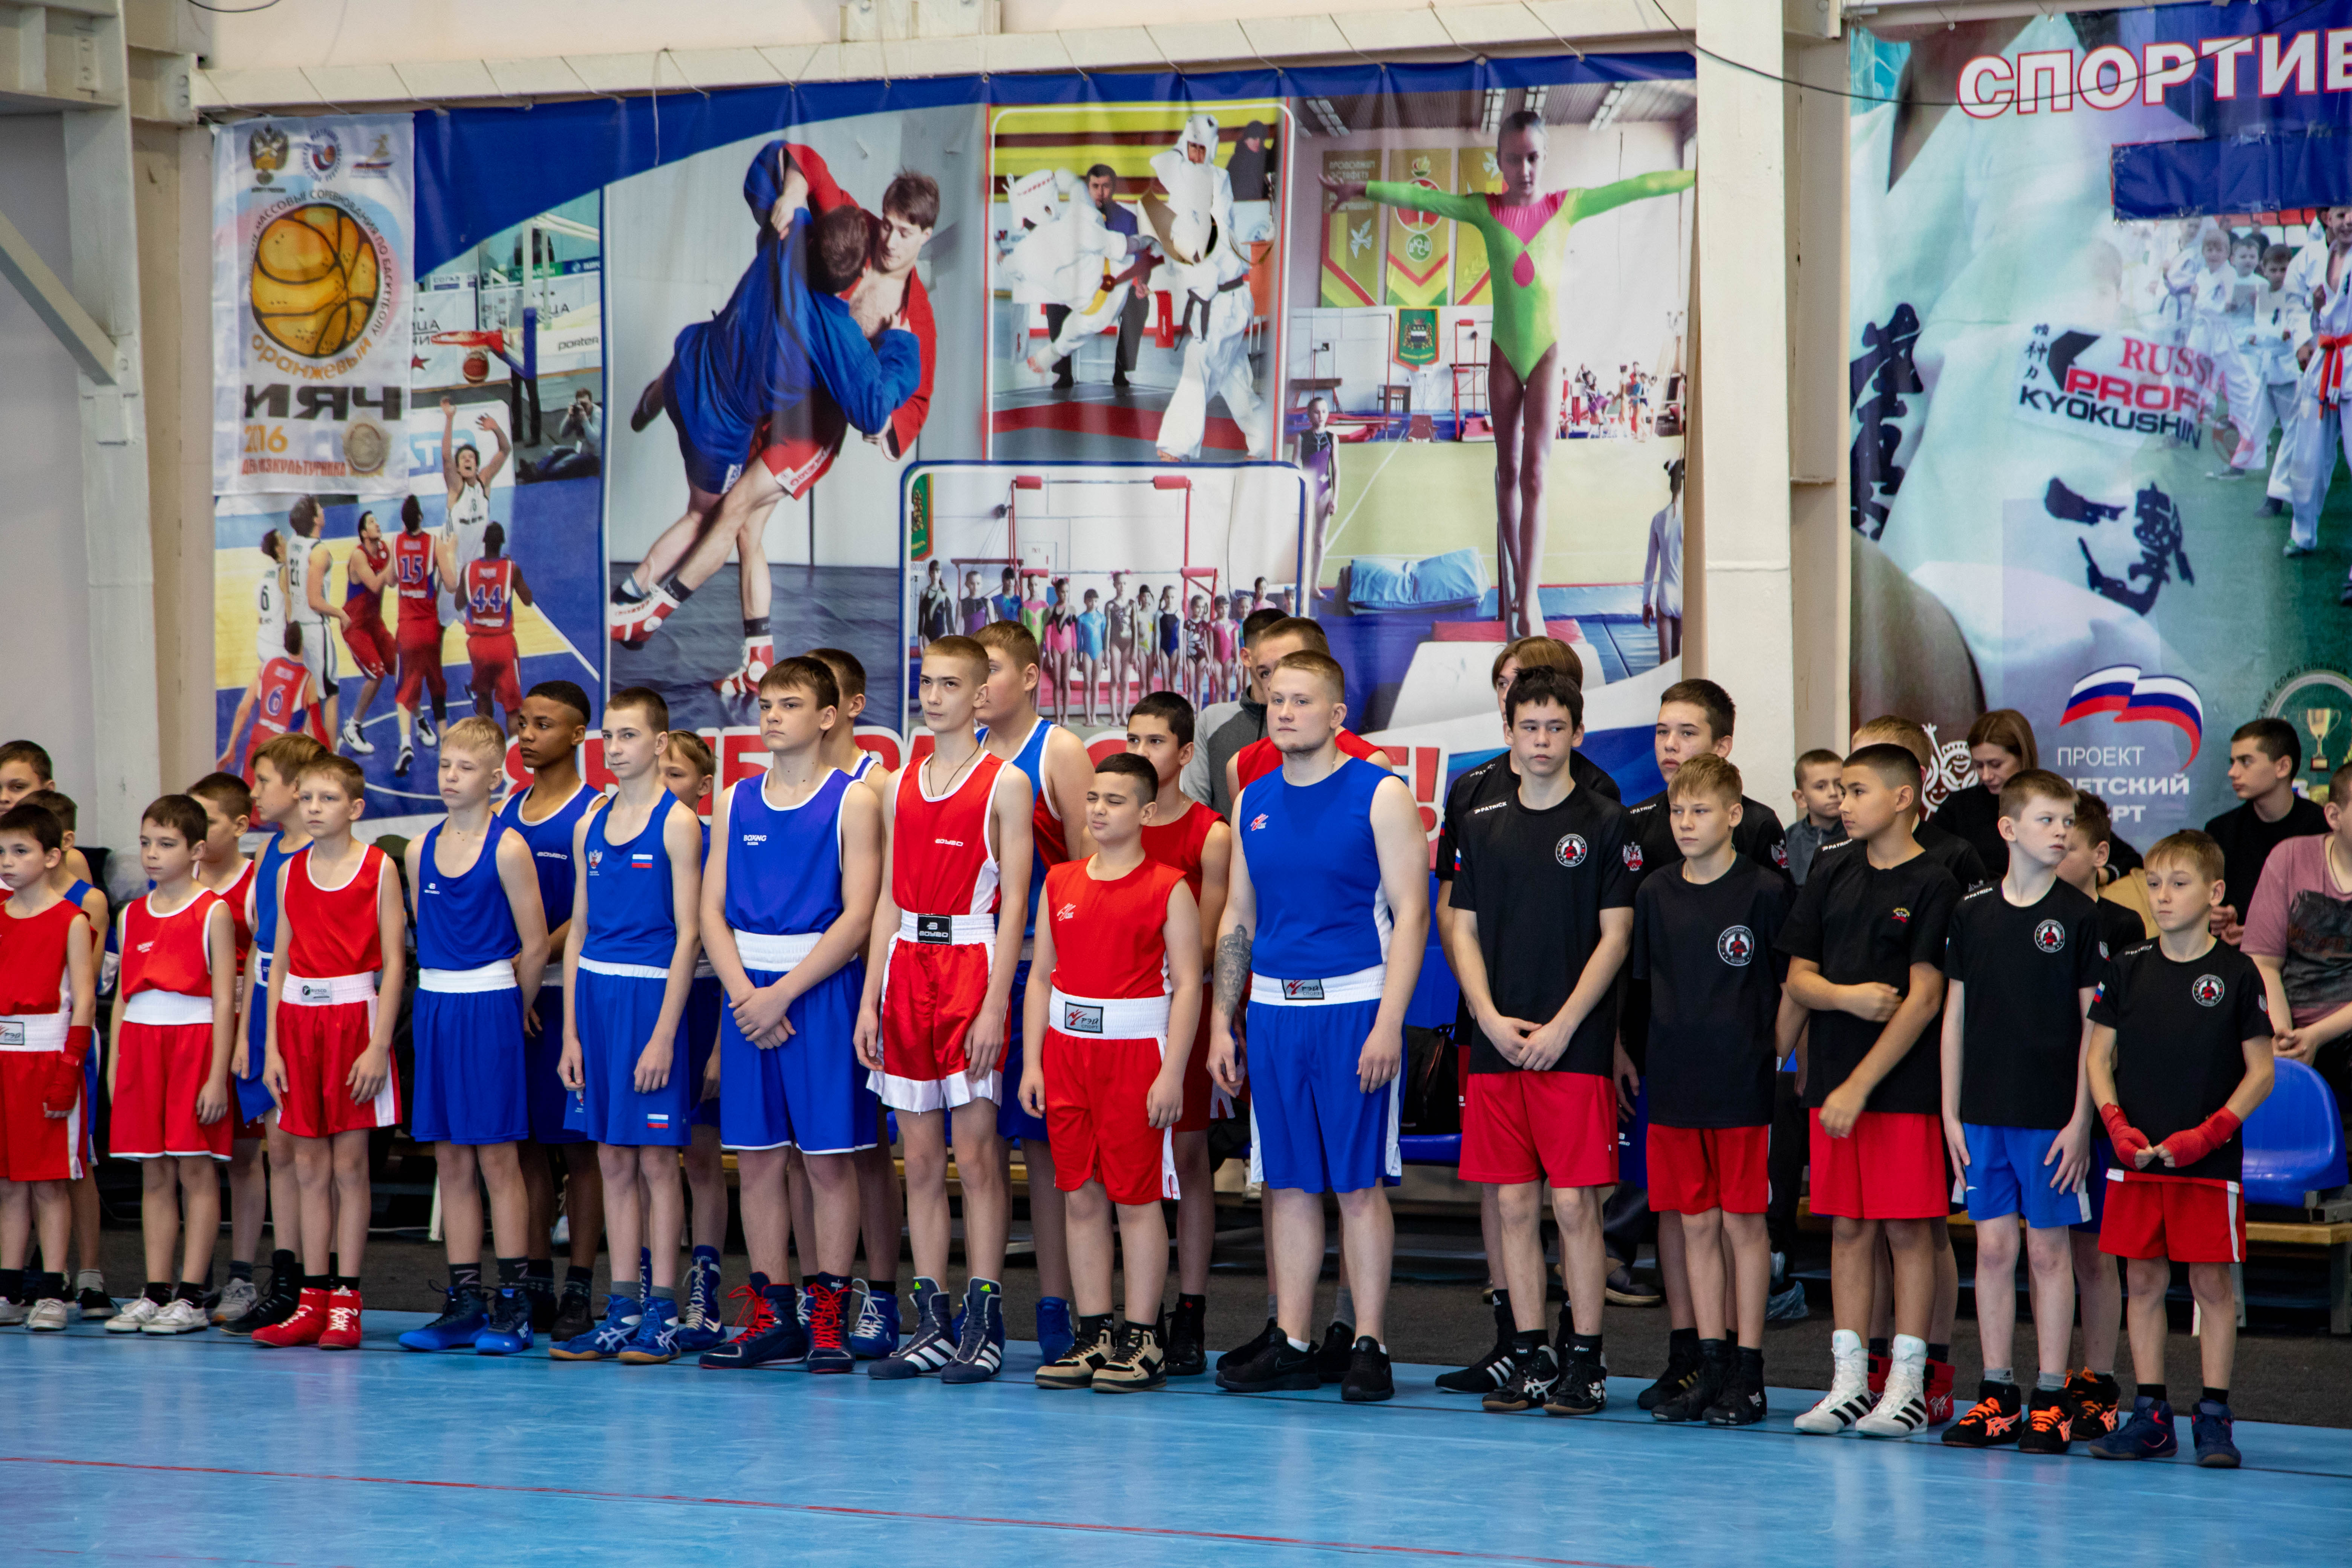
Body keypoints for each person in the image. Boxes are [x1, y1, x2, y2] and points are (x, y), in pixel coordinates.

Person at [1329, 113, 1693, 636]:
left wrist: (1700, 175)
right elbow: (1424, 200)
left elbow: (1638, 187)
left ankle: (1529, 597)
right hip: (1503, 352)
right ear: (1499, 161)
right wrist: (1360, 188)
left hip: (1545, 353)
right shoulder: (1485, 209)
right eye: (1516, 159)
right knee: (1507, 471)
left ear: (1545, 158)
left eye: (1534, 157)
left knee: (1537, 474)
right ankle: (1522, 584)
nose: (1526, 169)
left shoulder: (1565, 206)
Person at [614, 148, 939, 695]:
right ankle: (758, 661)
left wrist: (884, 425)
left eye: (905, 233)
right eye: (887, 224)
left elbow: (911, 400)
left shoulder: (916, 313)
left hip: (815, 426)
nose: (889, 240)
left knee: (733, 506)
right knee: (746, 531)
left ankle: (650, 615)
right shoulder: (855, 228)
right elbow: (806, 159)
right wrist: (794, 190)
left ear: (926, 236)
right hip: (778, 398)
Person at [1210, 648, 1429, 1403]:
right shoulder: (1252, 798)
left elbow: (1412, 915)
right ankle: (1294, 1339)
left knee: (1359, 1185)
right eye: (1277, 699)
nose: (1285, 712)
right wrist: (1222, 1022)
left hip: (1355, 1009)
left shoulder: (1381, 793)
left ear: (1338, 714)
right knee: (1290, 1184)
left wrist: (1390, 1022)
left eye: (1302, 701)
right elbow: (1238, 916)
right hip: (1273, 1012)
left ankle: (1369, 1342)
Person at [1442, 668, 1634, 1418]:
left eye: (1556, 727)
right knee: (1514, 1205)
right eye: (1530, 727)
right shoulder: (1482, 819)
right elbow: (1461, 927)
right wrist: (1488, 1017)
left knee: (1577, 1205)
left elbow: (1616, 938)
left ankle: (1585, 1358)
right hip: (1500, 1041)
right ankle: (1529, 1355)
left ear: (1578, 734)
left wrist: (1565, 1027)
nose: (1543, 740)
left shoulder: (1606, 820)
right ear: (1509, 733)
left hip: (1573, 1046)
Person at [698, 658, 883, 1372]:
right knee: (758, 1160)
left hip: (820, 991)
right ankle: (772, 1315)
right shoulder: (735, 799)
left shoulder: (854, 800)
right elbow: (711, 912)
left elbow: (859, 916)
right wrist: (748, 995)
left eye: (790, 704)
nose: (772, 715)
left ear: (828, 716)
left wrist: (783, 994)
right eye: (767, 704)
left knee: (829, 1161)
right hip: (748, 994)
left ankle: (828, 1313)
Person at [858, 636, 1032, 1383]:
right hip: (906, 966)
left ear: (980, 695)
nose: (933, 696)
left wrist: (995, 1007)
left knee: (980, 1157)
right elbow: (887, 899)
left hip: (972, 962)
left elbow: (1017, 901)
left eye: (950, 684)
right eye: (927, 682)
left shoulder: (1007, 784)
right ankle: (930, 1320)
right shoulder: (894, 784)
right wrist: (870, 998)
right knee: (921, 1160)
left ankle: (984, 1322)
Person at [1781, 743, 1961, 1436]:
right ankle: (1850, 1383)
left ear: (1903, 798)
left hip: (1901, 1089)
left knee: (1909, 1231)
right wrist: (1847, 998)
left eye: (1857, 791)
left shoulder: (1934, 881)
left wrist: (1861, 1084)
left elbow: (1924, 998)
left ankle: (1908, 1386)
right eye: (1839, 791)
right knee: (1848, 1229)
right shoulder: (1830, 869)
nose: (1843, 803)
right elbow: (1799, 978)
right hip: (1834, 1081)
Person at [1617, 679, 1791, 1387]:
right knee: (1690, 1221)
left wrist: (1777, 1055)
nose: (1687, 823)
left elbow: (1791, 985)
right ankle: (1705, 1360)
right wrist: (1628, 1051)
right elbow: (1640, 987)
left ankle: (1747, 1366)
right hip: (1674, 1079)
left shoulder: (1767, 892)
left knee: (1743, 1222)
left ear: (1734, 814)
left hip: (1742, 1081)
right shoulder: (1653, 892)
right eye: (1679, 812)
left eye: (1702, 811)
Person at [2086, 830, 2275, 1468]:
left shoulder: (2237, 973)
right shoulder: (2127, 965)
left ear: (2215, 892)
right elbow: (2098, 1058)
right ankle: (2151, 1415)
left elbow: (2262, 1072)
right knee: (2141, 1279)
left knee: (2211, 1283)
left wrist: (2210, 1133)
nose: (2163, 896)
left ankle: (2215, 1416)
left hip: (2208, 1161)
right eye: (2155, 884)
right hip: (2138, 1157)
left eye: (2179, 883)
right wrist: (2116, 1125)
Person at [1022, 753, 1203, 1390]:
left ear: (1147, 812)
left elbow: (1189, 985)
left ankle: (1143, 1337)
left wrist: (1172, 1073)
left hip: (1135, 1057)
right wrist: (1033, 1061)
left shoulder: (1170, 887)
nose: (1099, 809)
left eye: (1116, 800)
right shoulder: (1060, 882)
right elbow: (1040, 977)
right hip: (1068, 1054)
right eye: (1094, 798)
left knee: (1136, 1197)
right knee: (1079, 1194)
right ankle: (1095, 1332)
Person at [1937, 770, 2105, 1452]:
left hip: (2050, 1119)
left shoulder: (2079, 916)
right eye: (2047, 820)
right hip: (1982, 1114)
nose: (2061, 831)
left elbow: (2095, 1029)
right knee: (1994, 1249)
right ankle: (1998, 1392)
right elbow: (1954, 1018)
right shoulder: (1971, 911)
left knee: (2048, 1250)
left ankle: (2052, 1396)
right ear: (2008, 829)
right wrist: (1950, 1114)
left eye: (2068, 821)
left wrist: (2082, 1119)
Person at [548, 688, 703, 1366]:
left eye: (629, 736)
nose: (614, 748)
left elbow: (690, 933)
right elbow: (579, 930)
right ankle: (623, 1308)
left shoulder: (679, 824)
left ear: (660, 743)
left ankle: (663, 1312)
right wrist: (571, 1034)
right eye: (608, 736)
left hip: (650, 1001)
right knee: (611, 1157)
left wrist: (665, 1034)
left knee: (656, 1161)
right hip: (595, 1002)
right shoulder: (589, 824)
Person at [394, 718, 551, 1356]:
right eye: (444, 766)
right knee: (451, 1159)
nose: (450, 777)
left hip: (490, 1004)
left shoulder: (509, 848)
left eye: (464, 767)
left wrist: (517, 1007)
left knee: (497, 1159)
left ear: (494, 777)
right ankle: (464, 1304)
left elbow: (535, 944)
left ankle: (514, 1304)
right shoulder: (416, 850)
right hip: (436, 1005)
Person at [971, 619, 1095, 1362]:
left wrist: (1069, 978)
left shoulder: (1059, 751)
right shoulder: (956, 755)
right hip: (966, 968)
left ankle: (1056, 1305)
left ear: (1028, 676)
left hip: (1036, 972)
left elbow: (1089, 872)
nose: (977, 685)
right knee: (975, 1145)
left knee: (1046, 1151)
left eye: (990, 668)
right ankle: (978, 1307)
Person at [253, 755, 404, 1350]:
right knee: (309, 1167)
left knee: (349, 1167)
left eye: (328, 799)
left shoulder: (379, 867)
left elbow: (396, 962)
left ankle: (347, 1301)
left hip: (354, 1020)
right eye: (308, 798)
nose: (315, 809)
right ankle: (311, 1300)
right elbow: (278, 962)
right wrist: (272, 1047)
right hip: (297, 1021)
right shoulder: (289, 871)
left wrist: (379, 1044)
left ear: (356, 808)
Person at [100, 796, 237, 1337]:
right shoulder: (130, 913)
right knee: (154, 1172)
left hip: (194, 1046)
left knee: (196, 1169)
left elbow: (224, 999)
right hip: (141, 1046)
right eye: (146, 843)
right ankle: (156, 1290)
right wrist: (115, 1068)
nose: (152, 854)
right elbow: (124, 1000)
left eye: (166, 843)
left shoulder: (213, 911)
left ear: (197, 850)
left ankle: (192, 1295)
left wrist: (216, 1074)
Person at [1126, 692, 1233, 1376]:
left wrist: (1163, 993)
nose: (1141, 752)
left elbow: (1210, 940)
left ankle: (1190, 1312)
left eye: (1155, 742)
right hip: (1119, 1018)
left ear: (1186, 752)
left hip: (1180, 1010)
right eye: (1133, 740)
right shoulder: (1110, 822)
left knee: (1189, 1161)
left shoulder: (1208, 833)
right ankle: (1134, 1316)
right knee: (1127, 1164)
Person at [804, 645, 906, 1357]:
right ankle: (818, 1295)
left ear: (848, 706)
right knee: (800, 1153)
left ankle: (882, 1295)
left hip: (862, 986)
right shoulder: (781, 785)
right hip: (800, 984)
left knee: (864, 1149)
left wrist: (874, 996)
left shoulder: (879, 785)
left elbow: (885, 903)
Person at [496, 681, 607, 1340]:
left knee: (581, 1150)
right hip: (519, 996)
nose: (528, 735)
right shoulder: (507, 811)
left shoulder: (596, 811)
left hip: (570, 995)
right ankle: (535, 1281)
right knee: (528, 1146)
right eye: (522, 723)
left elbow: (588, 913)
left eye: (543, 724)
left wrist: (534, 965)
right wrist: (518, 980)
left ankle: (581, 1287)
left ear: (578, 734)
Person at [217, 734, 325, 1337]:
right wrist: (244, 1034)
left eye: (262, 781)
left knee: (312, 1155)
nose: (254, 792)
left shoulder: (324, 854)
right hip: (265, 1012)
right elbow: (262, 950)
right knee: (277, 1151)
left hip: (309, 1012)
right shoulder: (267, 852)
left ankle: (318, 1283)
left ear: (297, 785)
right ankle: (285, 1280)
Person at [2052, 789, 2133, 1437]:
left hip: (2099, 1105)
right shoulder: (2025, 915)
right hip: (2036, 1103)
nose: (2055, 852)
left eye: (2069, 844)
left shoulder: (2122, 927)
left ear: (2100, 854)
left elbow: (2121, 1026)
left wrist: (2096, 1106)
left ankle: (2098, 1379)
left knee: (2093, 1250)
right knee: (2042, 1247)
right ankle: (2049, 1380)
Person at [0, 802, 96, 1331]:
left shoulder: (71, 920)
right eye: (1, 852)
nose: (7, 861)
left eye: (21, 851)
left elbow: (85, 1001)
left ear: (52, 856)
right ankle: (9, 1287)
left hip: (48, 1057)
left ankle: (54, 1287)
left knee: (50, 1182)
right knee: (9, 1182)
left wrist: (68, 1070)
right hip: (4, 1058)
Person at [658, 732, 730, 1354]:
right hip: (646, 1000)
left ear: (704, 786)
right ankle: (650, 1292)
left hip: (706, 1000)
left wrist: (720, 1046)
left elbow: (729, 939)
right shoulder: (628, 832)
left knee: (702, 1157)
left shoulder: (712, 842)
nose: (665, 785)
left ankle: (705, 1289)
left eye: (677, 775)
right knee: (649, 1158)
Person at [187, 772, 264, 1325]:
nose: (197, 830)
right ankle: (193, 1277)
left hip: (241, 1025)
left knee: (243, 1154)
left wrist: (247, 1036)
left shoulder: (256, 882)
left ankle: (242, 1274)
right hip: (188, 1029)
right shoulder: (178, 877)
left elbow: (266, 962)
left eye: (208, 820)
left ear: (239, 825)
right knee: (188, 1158)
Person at [1147, 115, 1268, 464]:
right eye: (1191, 148)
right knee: (1233, 378)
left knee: (1198, 365)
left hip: (1224, 300)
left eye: (1202, 149)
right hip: (1225, 300)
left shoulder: (1215, 182)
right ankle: (1264, 438)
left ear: (1212, 150)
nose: (1196, 155)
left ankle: (1177, 445)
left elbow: (1171, 172)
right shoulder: (1186, 189)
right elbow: (1164, 165)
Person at [2245, 760, 2352, 1133]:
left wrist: (2317, 1036)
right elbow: (2264, 962)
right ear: (2334, 816)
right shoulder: (2289, 858)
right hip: (2288, 1021)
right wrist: (2281, 1034)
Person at [1217, 618, 1396, 812]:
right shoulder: (1241, 765)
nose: (1274, 683)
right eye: (1265, 673)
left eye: (1291, 665)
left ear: (1322, 665)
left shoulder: (1369, 763)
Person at [2206, 718, 2327, 945]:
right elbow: (2208, 908)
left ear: (2282, 767)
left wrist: (2266, 935)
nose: (2232, 772)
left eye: (2246, 762)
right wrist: (2212, 916)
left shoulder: (2322, 830)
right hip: (2236, 958)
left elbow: (2333, 917)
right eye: (2232, 762)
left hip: (2305, 959)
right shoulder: (2220, 831)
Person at [1041, 165, 1146, 389]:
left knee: (1140, 302)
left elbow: (1140, 260)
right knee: (1054, 300)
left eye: (1106, 186)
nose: (1100, 192)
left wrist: (1141, 284)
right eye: (1095, 186)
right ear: (1087, 189)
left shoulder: (1129, 220)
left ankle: (1122, 370)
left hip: (1113, 291)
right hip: (1081, 288)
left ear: (1114, 188)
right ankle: (1063, 373)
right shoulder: (1072, 218)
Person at [1929, 709, 2038, 880]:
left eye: (1996, 764)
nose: (1986, 776)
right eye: (1979, 766)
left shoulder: (2052, 805)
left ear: (2022, 757)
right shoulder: (1957, 808)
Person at [435, 397, 510, 627]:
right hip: (453, 565)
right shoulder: (456, 488)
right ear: (459, 468)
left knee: (476, 624)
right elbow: (446, 457)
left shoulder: (484, 481)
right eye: (463, 458)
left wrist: (496, 429)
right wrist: (450, 419)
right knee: (443, 622)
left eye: (471, 458)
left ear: (477, 465)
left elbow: (505, 450)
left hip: (475, 567)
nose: (468, 460)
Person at [389, 495, 449, 781]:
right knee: (436, 685)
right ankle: (446, 745)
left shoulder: (396, 543)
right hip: (430, 627)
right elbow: (452, 583)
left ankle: (406, 744)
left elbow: (391, 580)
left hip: (408, 628)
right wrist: (448, 557)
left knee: (404, 690)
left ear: (404, 521)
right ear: (421, 517)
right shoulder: (434, 544)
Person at [219, 624, 327, 778]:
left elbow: (243, 709)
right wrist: (328, 760)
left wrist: (231, 749)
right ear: (303, 644)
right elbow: (316, 729)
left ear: (285, 643)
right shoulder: (308, 680)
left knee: (252, 792)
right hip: (285, 753)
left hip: (259, 747)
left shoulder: (266, 667)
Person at [280, 497, 344, 750]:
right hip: (315, 629)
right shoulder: (320, 552)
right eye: (320, 509)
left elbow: (287, 587)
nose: (324, 510)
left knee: (307, 693)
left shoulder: (293, 544)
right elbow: (316, 601)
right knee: (330, 694)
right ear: (316, 520)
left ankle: (308, 750)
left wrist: (290, 620)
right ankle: (331, 755)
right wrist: (341, 614)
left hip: (297, 627)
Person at [462, 522, 533, 735]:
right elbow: (528, 600)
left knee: (484, 699)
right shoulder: (511, 569)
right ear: (502, 543)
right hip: (502, 645)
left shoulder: (469, 569)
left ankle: (487, 748)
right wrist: (513, 575)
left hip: (478, 645)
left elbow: (458, 603)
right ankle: (513, 754)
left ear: (483, 541)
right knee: (513, 709)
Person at [337, 510, 393, 756]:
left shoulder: (385, 551)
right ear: (363, 533)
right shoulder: (359, 556)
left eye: (377, 520)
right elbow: (376, 585)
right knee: (377, 674)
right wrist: (396, 558)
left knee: (399, 664)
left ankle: (420, 723)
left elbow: (392, 581)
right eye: (372, 522)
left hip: (374, 622)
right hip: (355, 625)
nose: (377, 524)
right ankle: (353, 727)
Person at [1295, 398, 1338, 617]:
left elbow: (1336, 470)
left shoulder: (1332, 438)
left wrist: (1335, 498)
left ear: (1328, 413)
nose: (1321, 416)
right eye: (1316, 412)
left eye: (1324, 411)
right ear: (1309, 414)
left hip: (1325, 492)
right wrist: (1297, 492)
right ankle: (1300, 582)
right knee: (1303, 540)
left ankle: (1314, 585)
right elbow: (1295, 466)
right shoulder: (1302, 437)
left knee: (1320, 541)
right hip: (1307, 492)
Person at [1642, 459, 1684, 661]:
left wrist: (1646, 603)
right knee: (1679, 661)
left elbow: (1651, 565)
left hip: (1666, 592)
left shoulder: (1659, 519)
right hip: (1683, 593)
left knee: (1665, 660)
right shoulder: (1690, 520)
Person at [1785, 749, 1847, 887]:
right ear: (1801, 798)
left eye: (1839, 784)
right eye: (1821, 787)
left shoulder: (1861, 836)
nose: (1833, 793)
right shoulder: (1788, 841)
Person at [251, 529, 287, 675]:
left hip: (263, 640)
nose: (287, 541)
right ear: (279, 549)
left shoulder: (265, 578)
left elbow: (260, 617)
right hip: (278, 644)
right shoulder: (284, 573)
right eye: (283, 539)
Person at [1075, 589, 1107, 727]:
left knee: (1096, 685)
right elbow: (1078, 641)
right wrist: (1077, 657)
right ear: (1085, 601)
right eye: (1090, 601)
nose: (1093, 603)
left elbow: (1104, 639)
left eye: (1095, 601)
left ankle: (1094, 716)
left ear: (1098, 602)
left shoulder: (1102, 618)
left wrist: (1106, 656)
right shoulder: (1081, 619)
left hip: (1099, 653)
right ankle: (1088, 717)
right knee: (1087, 684)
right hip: (1087, 653)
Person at [1227, 121, 1276, 203]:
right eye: (1254, 138)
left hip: (1266, 204)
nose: (1258, 142)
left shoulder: (1269, 157)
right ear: (1246, 140)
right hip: (1243, 204)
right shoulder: (1237, 161)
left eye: (1261, 139)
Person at [917, 560, 953, 652]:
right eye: (933, 572)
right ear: (930, 574)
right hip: (927, 635)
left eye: (937, 572)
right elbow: (921, 619)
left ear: (941, 573)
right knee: (929, 660)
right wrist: (920, 644)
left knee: (940, 660)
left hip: (941, 634)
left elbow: (949, 618)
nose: (935, 575)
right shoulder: (924, 593)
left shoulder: (945, 592)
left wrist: (953, 639)